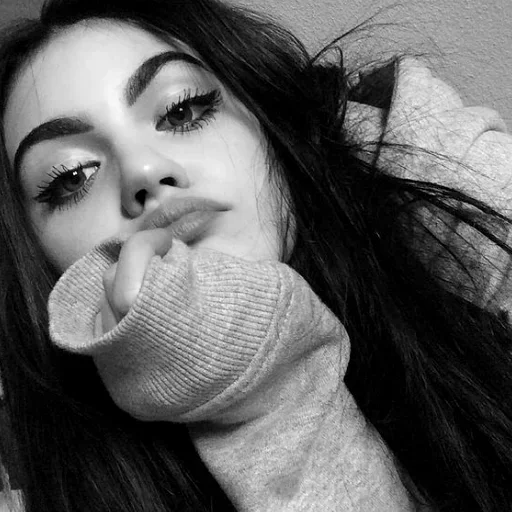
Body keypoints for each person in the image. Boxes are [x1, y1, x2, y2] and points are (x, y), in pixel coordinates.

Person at [0, 0, 512, 510]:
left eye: (182, 110)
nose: (143, 172)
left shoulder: (420, 168)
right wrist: (263, 400)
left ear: (263, 116)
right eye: (71, 177)